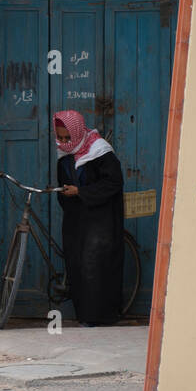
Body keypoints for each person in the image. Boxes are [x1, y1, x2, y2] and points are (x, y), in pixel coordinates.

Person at [53, 109, 126, 326]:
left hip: (101, 219)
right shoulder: (65, 155)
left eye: (68, 138)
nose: (64, 143)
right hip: (77, 220)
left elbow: (113, 183)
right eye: (60, 138)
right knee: (77, 265)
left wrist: (81, 192)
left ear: (77, 133)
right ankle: (85, 316)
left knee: (96, 266)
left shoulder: (100, 152)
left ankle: (102, 317)